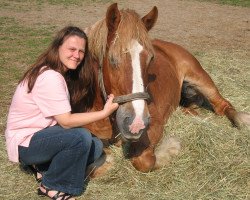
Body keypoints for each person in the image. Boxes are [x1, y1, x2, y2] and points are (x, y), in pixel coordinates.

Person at [5, 26, 119, 200]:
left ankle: (41, 167)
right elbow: (66, 121)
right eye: (71, 49)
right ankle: (53, 185)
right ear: (58, 47)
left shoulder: (56, 72)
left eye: (81, 51)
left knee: (94, 146)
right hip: (25, 143)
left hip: (41, 136)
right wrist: (104, 113)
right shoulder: (50, 77)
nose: (77, 55)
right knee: (80, 138)